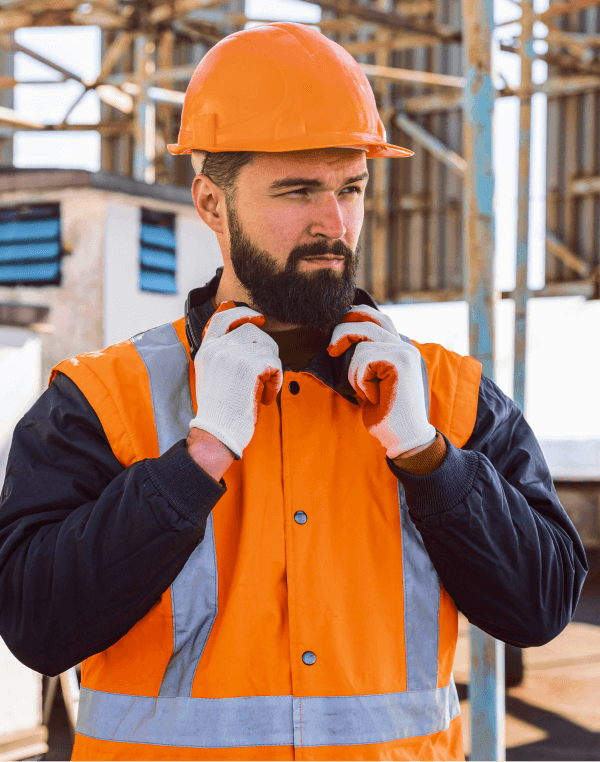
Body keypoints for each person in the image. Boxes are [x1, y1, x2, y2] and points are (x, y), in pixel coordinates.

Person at [0, 21, 587, 762]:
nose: (333, 223)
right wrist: (198, 459)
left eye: (351, 188)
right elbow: (36, 627)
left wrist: (431, 458)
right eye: (298, 190)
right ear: (211, 204)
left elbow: (539, 607)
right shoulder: (100, 400)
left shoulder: (450, 397)